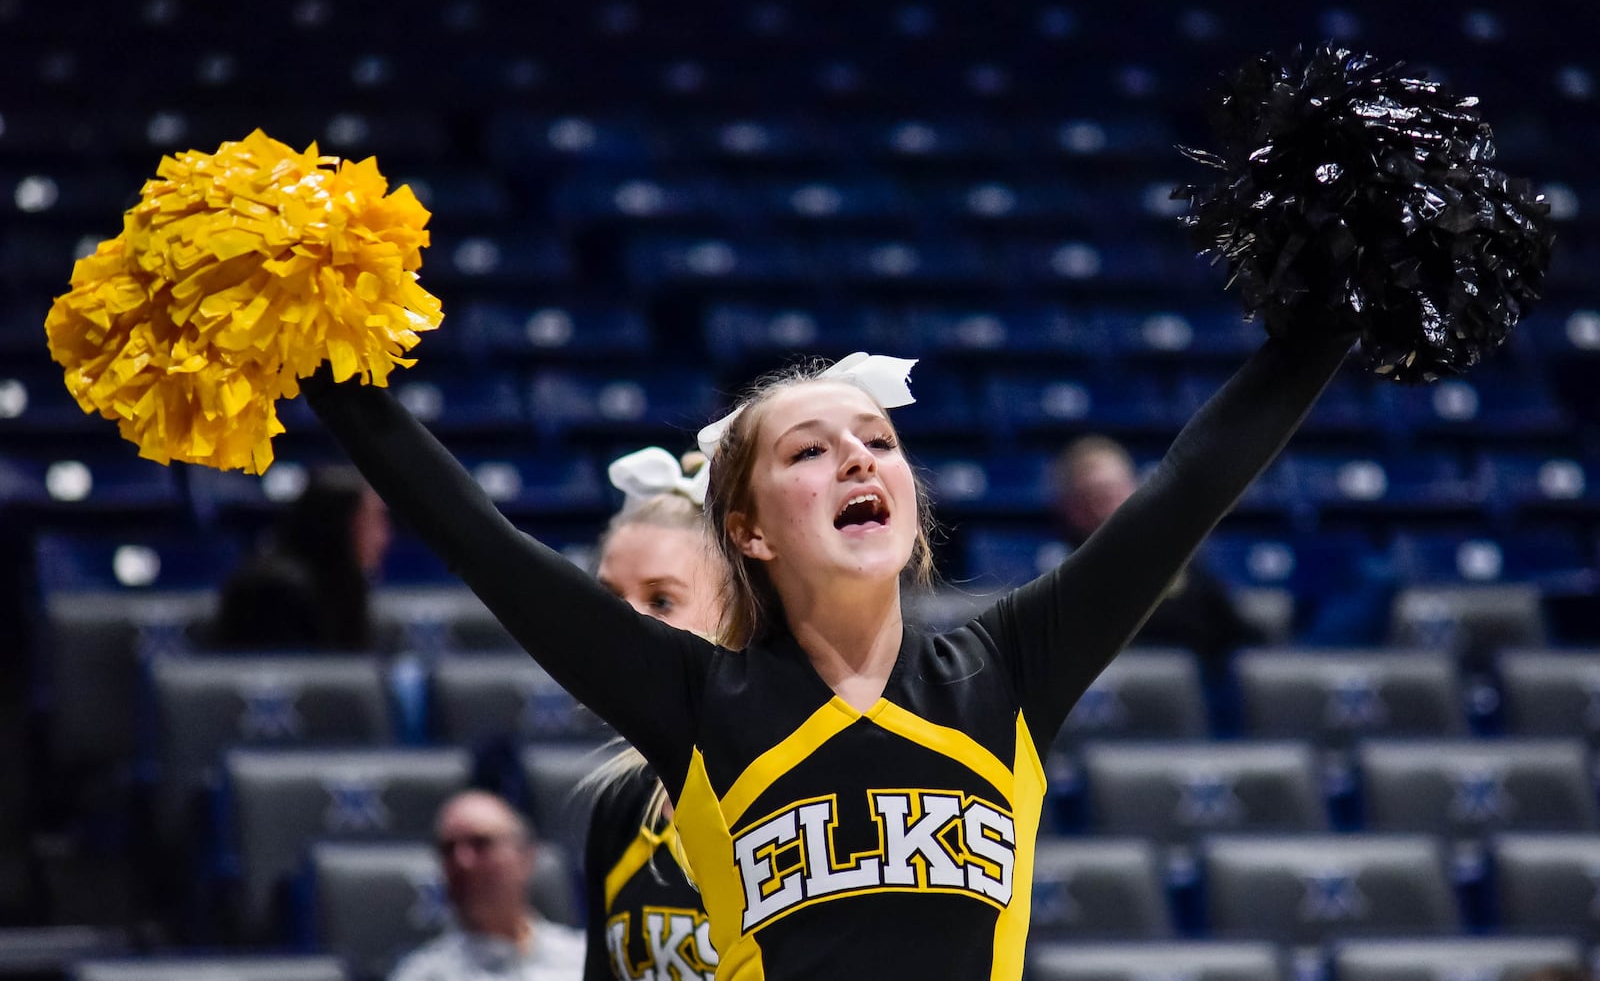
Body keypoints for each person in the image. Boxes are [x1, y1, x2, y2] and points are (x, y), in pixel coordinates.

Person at [302, 329, 1353, 978]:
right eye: (810, 450)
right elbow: (478, 538)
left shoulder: (1008, 667)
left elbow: (1186, 488)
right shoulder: (695, 700)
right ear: (749, 529)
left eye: (878, 442)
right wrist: (322, 351)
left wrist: (1335, 310)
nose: (858, 454)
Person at [583, 447, 723, 981]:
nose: (626, 624)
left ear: (739, 610)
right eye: (609, 599)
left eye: (661, 600)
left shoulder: (808, 785)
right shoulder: (622, 800)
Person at [1050, 434, 1265, 666]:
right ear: (1072, 509)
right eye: (1095, 497)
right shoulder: (1063, 578)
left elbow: (1231, 628)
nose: (1109, 509)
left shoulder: (1174, 554)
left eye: (1115, 492)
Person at [390, 789, 585, 981]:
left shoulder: (585, 956)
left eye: (480, 844)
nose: (462, 861)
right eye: (448, 849)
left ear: (526, 857)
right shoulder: (422, 975)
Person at [208, 465, 391, 650]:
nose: (383, 538)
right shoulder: (272, 594)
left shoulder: (345, 588)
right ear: (339, 525)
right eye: (372, 521)